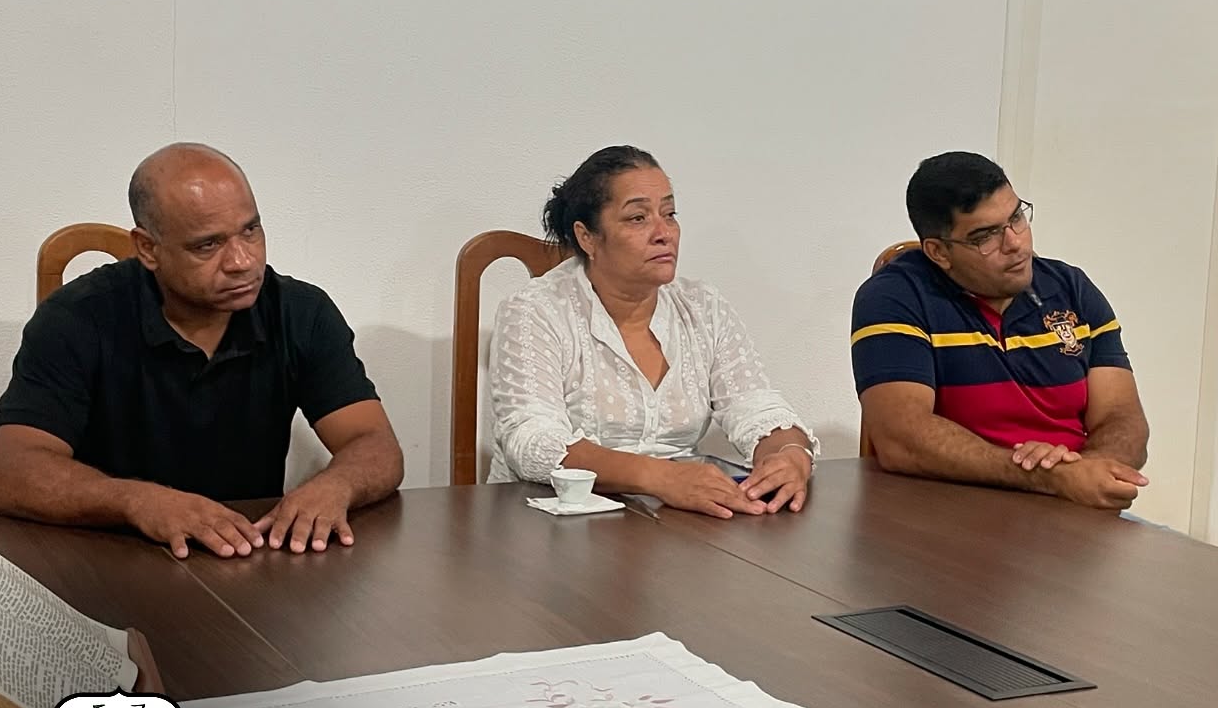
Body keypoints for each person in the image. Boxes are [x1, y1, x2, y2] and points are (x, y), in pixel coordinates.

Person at [0, 142, 404, 558]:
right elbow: (11, 474)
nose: (242, 261)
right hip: (112, 554)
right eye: (208, 245)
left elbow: (375, 444)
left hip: (246, 557)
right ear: (148, 248)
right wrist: (138, 502)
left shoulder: (301, 313)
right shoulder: (76, 318)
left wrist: (336, 485)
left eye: (251, 230)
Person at [488, 145, 818, 518]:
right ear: (587, 237)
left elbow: (756, 406)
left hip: (672, 522)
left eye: (670, 214)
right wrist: (660, 477)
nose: (664, 233)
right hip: (548, 521)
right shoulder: (536, 309)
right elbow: (532, 441)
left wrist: (790, 455)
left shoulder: (702, 307)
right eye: (638, 218)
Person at [851, 151, 1150, 510]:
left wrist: (1087, 471)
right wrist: (1047, 477)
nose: (1016, 243)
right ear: (938, 252)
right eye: (985, 236)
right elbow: (902, 439)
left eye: (1016, 217)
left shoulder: (1072, 288)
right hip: (950, 515)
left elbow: (1123, 417)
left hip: (1074, 513)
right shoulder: (896, 296)